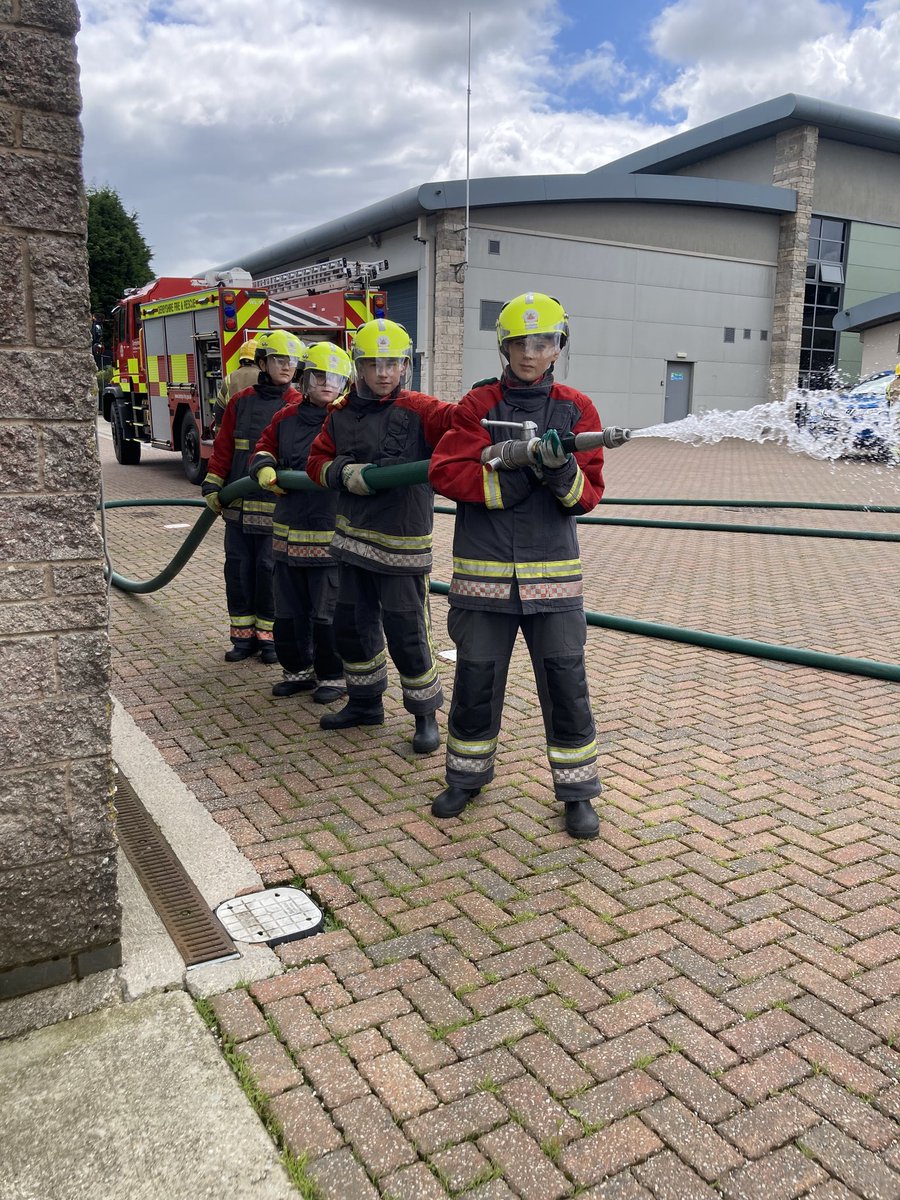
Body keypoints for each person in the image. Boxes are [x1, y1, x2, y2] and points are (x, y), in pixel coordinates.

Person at [427, 292, 606, 839]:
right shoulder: (477, 405)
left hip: (553, 582)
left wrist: (557, 474)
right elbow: (445, 472)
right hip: (483, 579)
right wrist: (514, 477)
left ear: (559, 347)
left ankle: (576, 793)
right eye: (521, 342)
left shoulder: (578, 409)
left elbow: (589, 494)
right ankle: (466, 776)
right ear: (503, 346)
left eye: (544, 342)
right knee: (477, 678)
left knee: (565, 681)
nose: (532, 353)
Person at [306, 318, 455, 753]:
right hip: (352, 546)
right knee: (350, 626)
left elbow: (461, 422)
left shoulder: (421, 410)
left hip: (401, 547)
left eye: (393, 363)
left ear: (405, 367)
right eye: (374, 364)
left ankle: (425, 715)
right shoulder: (340, 414)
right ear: (359, 367)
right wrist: (341, 473)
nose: (384, 372)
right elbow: (317, 461)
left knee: (408, 631)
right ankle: (366, 703)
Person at [249, 342, 351, 702]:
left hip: (329, 538)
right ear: (305, 379)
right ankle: (297, 671)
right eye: (320, 376)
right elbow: (263, 447)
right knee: (289, 612)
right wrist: (263, 468)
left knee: (327, 614)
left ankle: (333, 677)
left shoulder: (347, 419)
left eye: (336, 377)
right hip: (287, 535)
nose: (328, 383)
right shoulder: (285, 418)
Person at [202, 330, 305, 663]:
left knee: (268, 571)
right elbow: (224, 447)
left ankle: (270, 639)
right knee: (238, 570)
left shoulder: (297, 405)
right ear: (263, 362)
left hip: (274, 508)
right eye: (279, 360)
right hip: (236, 508)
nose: (286, 366)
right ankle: (242, 638)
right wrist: (213, 484)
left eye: (291, 360)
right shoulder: (241, 400)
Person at [213, 338, 260, 428]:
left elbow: (219, 408)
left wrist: (219, 431)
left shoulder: (230, 377)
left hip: (235, 429)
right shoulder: (265, 377)